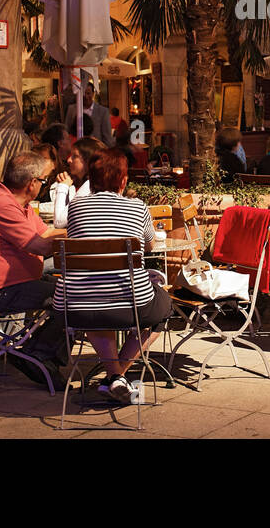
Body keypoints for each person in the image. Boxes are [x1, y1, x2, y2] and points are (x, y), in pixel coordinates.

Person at [54, 148, 172, 403]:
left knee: (96, 305)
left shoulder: (75, 207)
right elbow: (149, 245)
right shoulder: (137, 207)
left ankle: (114, 376)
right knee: (163, 308)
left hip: (75, 304)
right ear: (123, 180)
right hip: (131, 303)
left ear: (92, 179)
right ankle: (118, 374)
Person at [0, 151, 66, 384]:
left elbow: (47, 233)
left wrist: (82, 229)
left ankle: (42, 353)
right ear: (32, 183)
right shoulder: (2, 206)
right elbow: (40, 246)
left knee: (76, 288)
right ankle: (36, 352)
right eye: (43, 180)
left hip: (15, 285)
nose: (42, 185)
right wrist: (79, 237)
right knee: (75, 294)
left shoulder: (19, 205)